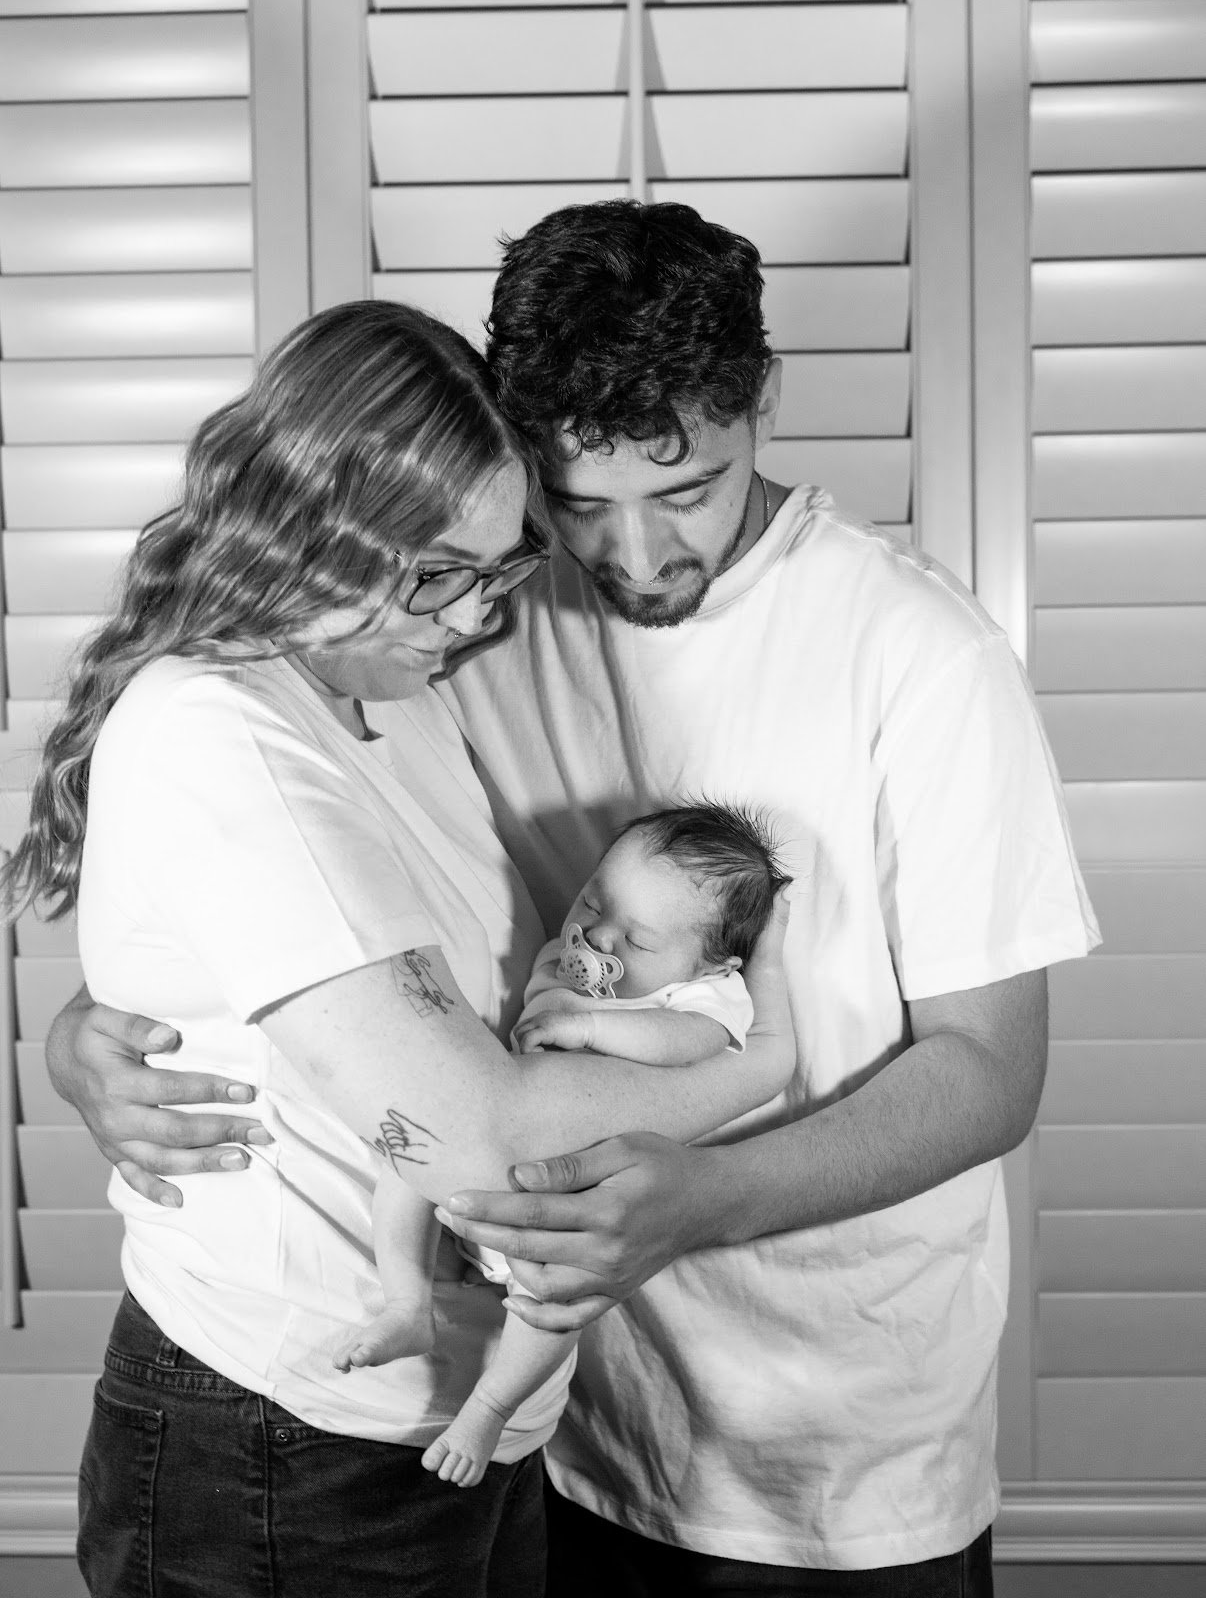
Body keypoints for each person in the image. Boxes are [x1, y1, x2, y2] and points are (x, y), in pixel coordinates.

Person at [48, 202, 1099, 1594]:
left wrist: (701, 1196)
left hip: (832, 1444)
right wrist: (94, 1026)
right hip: (567, 1413)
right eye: (580, 503)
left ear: (761, 406)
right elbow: (279, 842)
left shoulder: (919, 656)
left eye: (688, 490)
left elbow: (985, 1074)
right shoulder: (465, 608)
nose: (632, 555)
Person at [14, 297, 793, 1598]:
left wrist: (78, 1031)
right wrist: (761, 1064)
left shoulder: (400, 691)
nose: (469, 613)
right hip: (286, 1434)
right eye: (439, 571)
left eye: (494, 571)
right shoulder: (221, 731)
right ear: (309, 521)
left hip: (453, 1428)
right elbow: (465, 1131)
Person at [341, 801, 785, 1494]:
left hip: (570, 1203)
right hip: (491, 1163)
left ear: (713, 963)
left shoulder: (707, 999)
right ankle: (405, 1305)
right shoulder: (571, 953)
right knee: (406, 1172)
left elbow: (690, 1044)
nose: (598, 938)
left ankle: (487, 1409)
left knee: (555, 1305)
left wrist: (592, 1028)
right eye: (594, 901)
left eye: (637, 942)